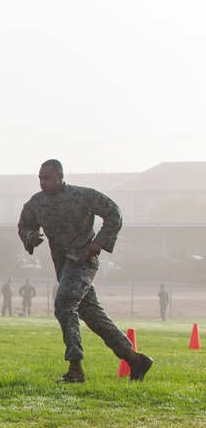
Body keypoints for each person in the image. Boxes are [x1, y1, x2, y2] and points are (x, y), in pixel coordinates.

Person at [18, 159, 153, 383]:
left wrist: (99, 242)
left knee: (64, 305)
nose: (42, 182)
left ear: (60, 177)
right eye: (40, 178)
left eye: (47, 178)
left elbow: (114, 213)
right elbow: (24, 224)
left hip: (83, 262)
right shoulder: (37, 203)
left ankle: (75, 369)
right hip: (63, 267)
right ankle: (136, 360)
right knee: (93, 316)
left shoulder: (82, 195)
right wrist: (30, 236)